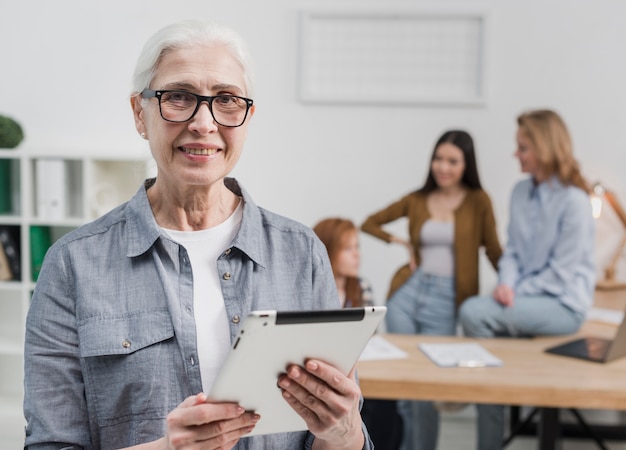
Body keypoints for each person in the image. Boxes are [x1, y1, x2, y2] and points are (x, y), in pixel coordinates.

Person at [23, 20, 373, 450]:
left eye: (226, 100)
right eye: (179, 97)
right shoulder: (72, 264)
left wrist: (345, 431)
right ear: (140, 113)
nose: (203, 123)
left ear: (247, 117)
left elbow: (338, 438)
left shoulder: (303, 253)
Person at [459, 109, 596, 450]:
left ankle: (489, 438)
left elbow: (561, 274)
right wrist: (506, 282)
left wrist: (514, 290)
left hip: (563, 305)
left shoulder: (575, 202)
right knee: (483, 319)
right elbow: (514, 254)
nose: (515, 154)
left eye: (523, 148)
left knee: (474, 313)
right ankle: (494, 402)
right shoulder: (520, 192)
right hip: (525, 297)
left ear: (545, 148)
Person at [361, 130, 502, 450]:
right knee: (404, 392)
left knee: (425, 390)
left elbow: (493, 250)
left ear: (466, 165)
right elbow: (369, 222)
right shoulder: (418, 199)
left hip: (447, 298)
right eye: (438, 159)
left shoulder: (479, 201)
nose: (443, 167)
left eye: (452, 161)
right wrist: (401, 242)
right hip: (408, 294)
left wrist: (510, 285)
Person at [313, 217, 403, 450]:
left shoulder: (362, 288)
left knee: (387, 408)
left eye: (357, 247)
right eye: (348, 249)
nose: (357, 255)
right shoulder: (312, 288)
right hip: (327, 371)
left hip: (364, 368)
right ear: (328, 250)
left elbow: (373, 335)